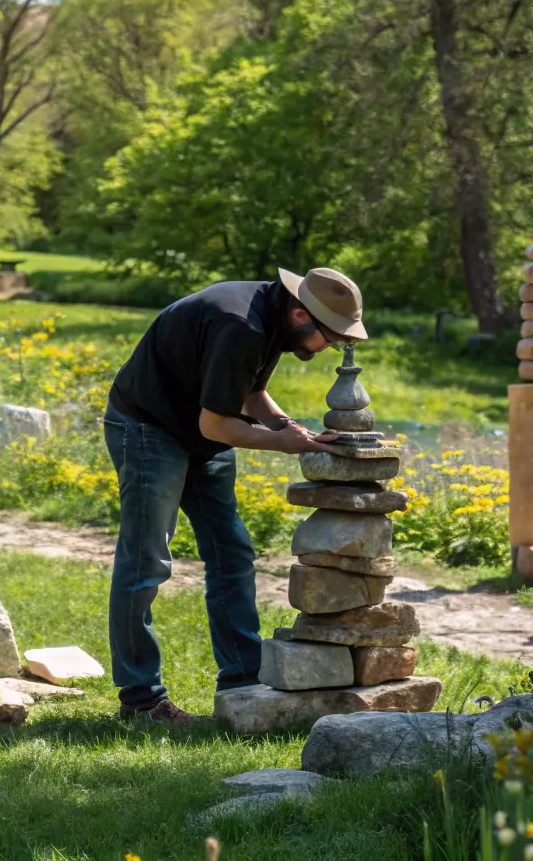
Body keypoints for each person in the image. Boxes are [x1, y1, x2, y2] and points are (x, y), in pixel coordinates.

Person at [103, 266, 365, 722]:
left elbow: (251, 394)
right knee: (146, 561)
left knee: (232, 552)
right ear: (303, 315)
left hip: (200, 433)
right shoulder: (241, 325)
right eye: (332, 336)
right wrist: (283, 443)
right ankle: (141, 698)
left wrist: (289, 427)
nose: (333, 348)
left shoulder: (273, 317)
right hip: (149, 427)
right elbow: (216, 423)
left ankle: (243, 683)